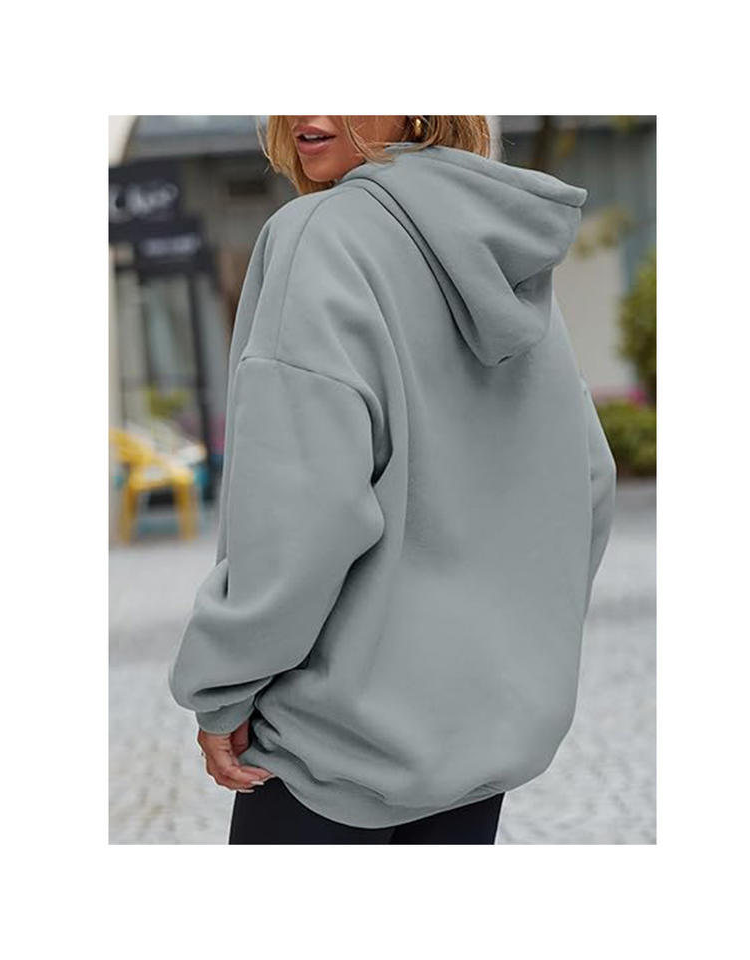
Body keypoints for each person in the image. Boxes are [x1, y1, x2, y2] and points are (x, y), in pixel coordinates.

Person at [168, 115, 617, 844]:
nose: (311, 110)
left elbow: (302, 514)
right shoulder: (499, 248)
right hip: (480, 737)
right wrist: (516, 651)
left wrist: (223, 688)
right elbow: (586, 479)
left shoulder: (319, 234)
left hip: (335, 749)